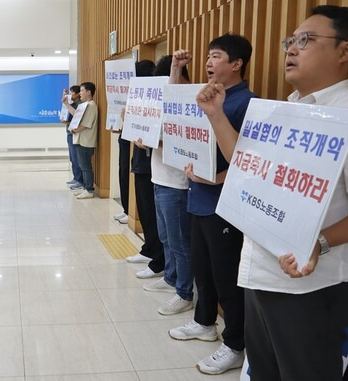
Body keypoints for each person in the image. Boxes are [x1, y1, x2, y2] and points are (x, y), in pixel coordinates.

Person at [197, 6, 348, 380]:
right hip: (262, 272)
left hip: (313, 285)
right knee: (264, 372)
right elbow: (245, 165)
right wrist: (215, 114)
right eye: (289, 41)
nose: (291, 49)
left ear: (345, 51)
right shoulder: (283, 110)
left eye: (305, 41)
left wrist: (318, 243)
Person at [167, 34, 257, 375]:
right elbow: (173, 108)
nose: (208, 62)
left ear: (236, 64)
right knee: (203, 271)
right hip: (198, 198)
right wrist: (177, 67)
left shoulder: (245, 102)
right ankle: (204, 323)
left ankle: (235, 344)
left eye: (215, 56)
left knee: (227, 278)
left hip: (224, 205)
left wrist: (216, 179)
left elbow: (250, 160)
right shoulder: (204, 96)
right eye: (207, 56)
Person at [136, 55, 194, 316]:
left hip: (177, 183)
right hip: (159, 178)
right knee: (166, 237)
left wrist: (153, 141)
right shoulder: (163, 103)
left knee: (180, 242)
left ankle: (184, 292)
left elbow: (186, 144)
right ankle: (171, 277)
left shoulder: (190, 104)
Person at [125, 60, 165, 275]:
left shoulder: (158, 100)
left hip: (153, 167)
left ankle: (158, 257)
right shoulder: (139, 100)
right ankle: (149, 248)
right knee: (145, 211)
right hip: (140, 163)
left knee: (153, 214)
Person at [67, 82, 98, 199]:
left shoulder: (91, 106)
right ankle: (85, 188)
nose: (80, 93)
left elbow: (86, 124)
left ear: (89, 92)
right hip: (81, 140)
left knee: (85, 166)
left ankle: (89, 189)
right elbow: (76, 115)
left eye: (82, 91)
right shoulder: (84, 105)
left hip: (86, 141)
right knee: (82, 165)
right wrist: (66, 104)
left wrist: (74, 130)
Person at [62, 85, 84, 191]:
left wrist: (68, 122)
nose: (71, 95)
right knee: (72, 158)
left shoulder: (79, 105)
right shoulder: (72, 103)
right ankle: (76, 178)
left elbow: (77, 118)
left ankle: (79, 180)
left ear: (77, 94)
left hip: (74, 133)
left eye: (72, 93)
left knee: (76, 158)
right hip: (69, 132)